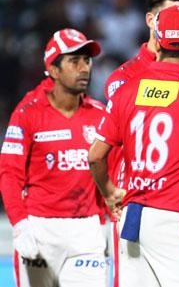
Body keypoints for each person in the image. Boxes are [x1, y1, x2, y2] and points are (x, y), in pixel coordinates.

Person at [88, 5, 179, 286]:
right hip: (176, 219)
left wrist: (108, 193)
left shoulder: (127, 90)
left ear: (158, 38)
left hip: (132, 217)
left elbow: (95, 156)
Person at [0, 28, 106, 286]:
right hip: (40, 230)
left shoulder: (100, 114)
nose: (84, 68)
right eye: (74, 61)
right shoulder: (27, 112)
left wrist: (109, 223)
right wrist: (21, 224)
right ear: (54, 69)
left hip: (86, 231)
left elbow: (111, 174)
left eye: (87, 60)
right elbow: (10, 173)